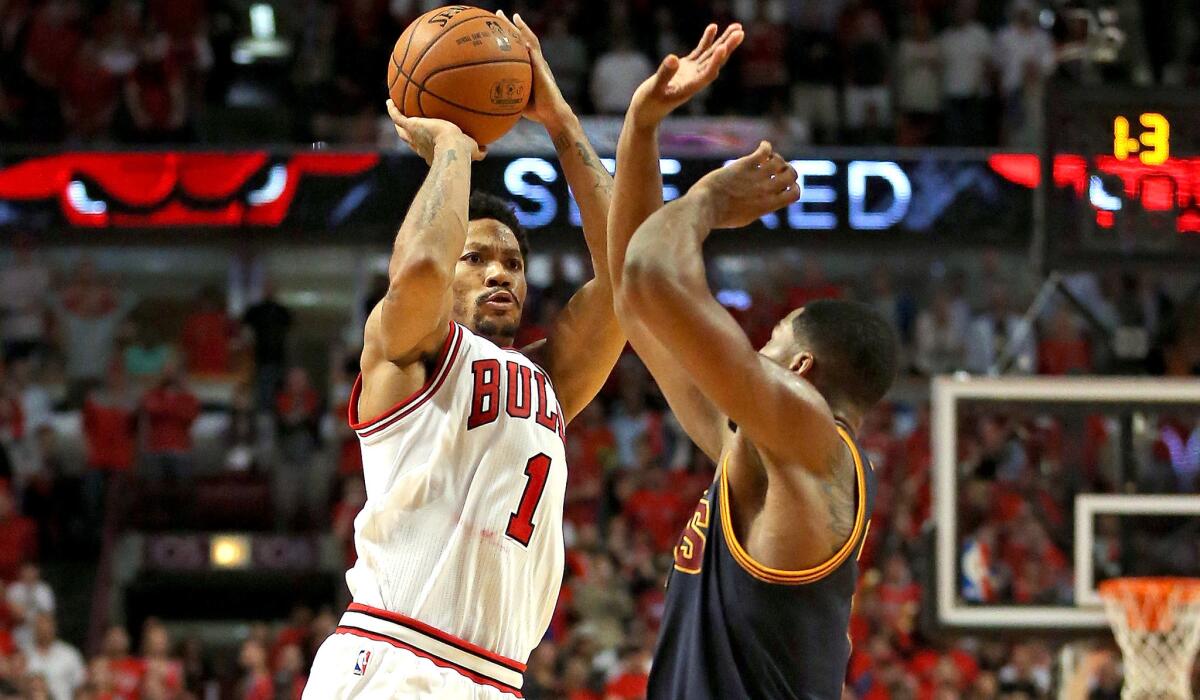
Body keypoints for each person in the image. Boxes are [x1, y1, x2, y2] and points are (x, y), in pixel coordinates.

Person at [303, 13, 625, 699]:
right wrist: (452, 144)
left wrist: (563, 123)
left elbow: (630, 278)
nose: (498, 272)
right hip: (395, 658)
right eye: (474, 258)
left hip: (496, 679)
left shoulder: (550, 379)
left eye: (511, 261)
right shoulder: (409, 351)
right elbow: (420, 268)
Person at [607, 26, 898, 697]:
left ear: (800, 371)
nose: (747, 353)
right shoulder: (767, 459)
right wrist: (642, 127)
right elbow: (635, 300)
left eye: (765, 343)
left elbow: (654, 273)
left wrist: (706, 202)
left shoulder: (808, 434)